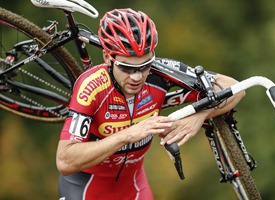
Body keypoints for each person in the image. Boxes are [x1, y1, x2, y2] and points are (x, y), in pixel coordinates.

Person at [56, 8, 245, 200]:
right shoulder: (92, 86)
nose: (136, 76)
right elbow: (65, 161)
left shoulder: (160, 72)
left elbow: (235, 87)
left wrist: (200, 116)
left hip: (134, 187)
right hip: (84, 189)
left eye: (144, 66)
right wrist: (127, 135)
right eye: (127, 68)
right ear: (107, 57)